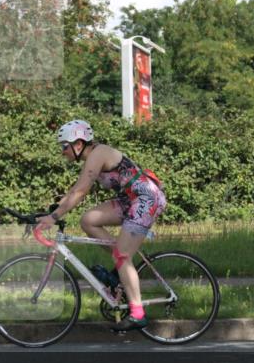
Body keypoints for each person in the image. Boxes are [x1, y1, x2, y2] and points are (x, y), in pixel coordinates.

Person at [35, 119, 167, 331]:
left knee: (122, 256)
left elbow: (81, 190)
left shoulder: (98, 154)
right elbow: (74, 190)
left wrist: (55, 217)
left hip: (146, 199)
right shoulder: (92, 157)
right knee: (88, 220)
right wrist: (52, 212)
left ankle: (137, 313)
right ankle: (119, 273)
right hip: (130, 199)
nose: (62, 151)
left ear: (78, 144)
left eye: (64, 146)